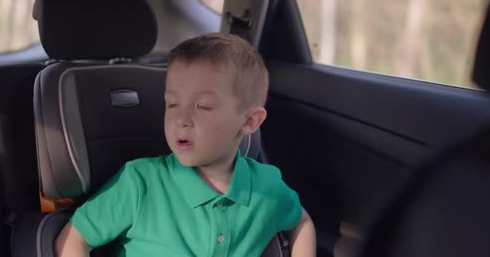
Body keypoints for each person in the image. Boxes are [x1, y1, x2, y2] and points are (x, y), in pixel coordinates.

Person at [54, 32, 316, 256]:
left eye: (203, 106)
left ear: (249, 121)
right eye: (172, 103)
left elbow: (300, 221)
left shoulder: (266, 187)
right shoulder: (140, 182)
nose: (181, 119)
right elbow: (73, 239)